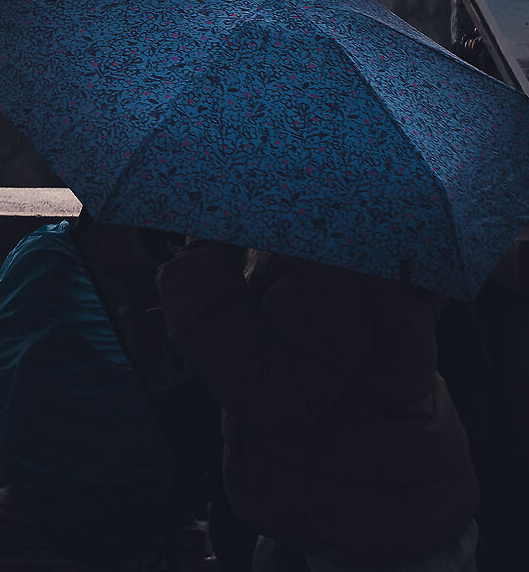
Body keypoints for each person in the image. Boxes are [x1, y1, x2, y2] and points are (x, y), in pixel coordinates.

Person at [157, 240, 480, 572]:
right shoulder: (359, 240)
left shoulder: (332, 263)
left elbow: (276, 396)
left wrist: (200, 274)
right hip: (382, 502)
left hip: (364, 522)